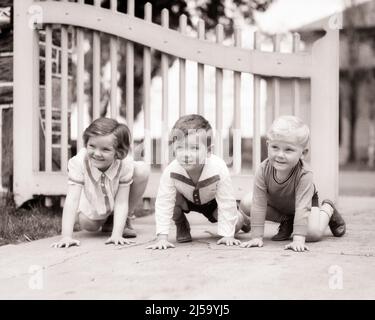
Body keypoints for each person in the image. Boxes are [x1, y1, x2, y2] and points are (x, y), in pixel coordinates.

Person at [239, 115, 346, 252]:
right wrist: (256, 237)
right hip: (278, 204)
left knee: (313, 233)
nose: (280, 155)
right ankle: (287, 220)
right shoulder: (262, 169)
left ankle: (327, 209)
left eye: (288, 149)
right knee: (247, 203)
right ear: (268, 146)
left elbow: (302, 207)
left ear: (303, 153)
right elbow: (259, 203)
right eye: (275, 147)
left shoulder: (304, 174)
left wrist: (298, 239)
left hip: (304, 204)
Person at [147, 114, 250, 250]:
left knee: (236, 223)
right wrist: (162, 238)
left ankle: (243, 219)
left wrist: (228, 235)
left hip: (213, 203)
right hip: (185, 199)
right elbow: (163, 202)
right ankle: (181, 223)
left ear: (208, 151)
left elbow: (226, 200)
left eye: (194, 148)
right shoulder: (171, 171)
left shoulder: (217, 168)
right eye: (180, 148)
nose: (186, 154)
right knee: (170, 200)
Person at [51, 117, 150, 248]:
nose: (97, 153)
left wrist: (116, 235)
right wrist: (66, 237)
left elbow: (121, 202)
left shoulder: (124, 164)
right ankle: (107, 219)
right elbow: (72, 199)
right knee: (89, 225)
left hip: (115, 195)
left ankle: (121, 221)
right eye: (92, 146)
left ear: (118, 152)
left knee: (142, 169)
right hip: (94, 200)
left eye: (105, 149)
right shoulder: (79, 162)